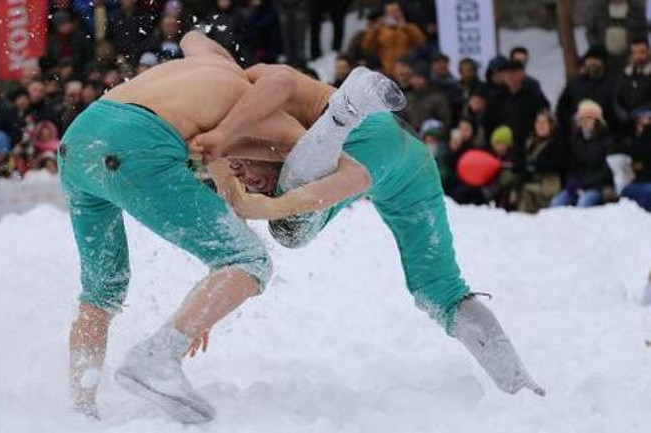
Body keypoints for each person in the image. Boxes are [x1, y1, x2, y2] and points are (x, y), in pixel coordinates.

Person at [194, 63, 544, 401]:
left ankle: (341, 112)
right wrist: (212, 304)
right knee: (439, 291)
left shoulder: (239, 98)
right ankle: (521, 386)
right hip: (409, 157)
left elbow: (275, 79)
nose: (249, 181)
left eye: (240, 167)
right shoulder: (243, 130)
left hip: (361, 132)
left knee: (290, 229)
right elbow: (237, 250)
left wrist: (226, 149)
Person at [59, 31, 308, 423]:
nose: (246, 179)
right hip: (133, 144)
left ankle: (80, 408)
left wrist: (206, 306)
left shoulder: (213, 62)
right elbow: (307, 145)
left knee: (102, 290)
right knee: (250, 258)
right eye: (258, 176)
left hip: (78, 141)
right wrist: (194, 320)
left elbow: (191, 35)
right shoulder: (266, 114)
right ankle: (158, 354)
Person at [551, 100, 612, 207]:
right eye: (581, 118)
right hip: (577, 186)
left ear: (597, 121)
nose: (584, 122)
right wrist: (571, 182)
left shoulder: (607, 141)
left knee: (584, 203)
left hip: (598, 187)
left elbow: (607, 172)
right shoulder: (576, 140)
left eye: (588, 118)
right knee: (557, 202)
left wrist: (585, 183)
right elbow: (571, 166)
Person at [518, 111, 567, 213]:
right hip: (533, 180)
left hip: (549, 184)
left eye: (544, 123)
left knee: (526, 190)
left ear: (552, 125)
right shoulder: (530, 142)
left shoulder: (558, 143)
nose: (540, 126)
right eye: (538, 122)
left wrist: (533, 167)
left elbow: (557, 165)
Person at [362, 1, 426, 78]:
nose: (394, 15)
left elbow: (422, 40)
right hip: (387, 70)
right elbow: (367, 47)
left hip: (406, 69)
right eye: (390, 13)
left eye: (396, 11)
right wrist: (374, 30)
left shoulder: (408, 27)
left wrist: (406, 27)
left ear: (401, 13)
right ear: (385, 15)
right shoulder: (380, 30)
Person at [620, 108, 651, 210]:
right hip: (638, 181)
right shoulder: (635, 138)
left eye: (647, 117)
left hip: (646, 183)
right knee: (625, 192)